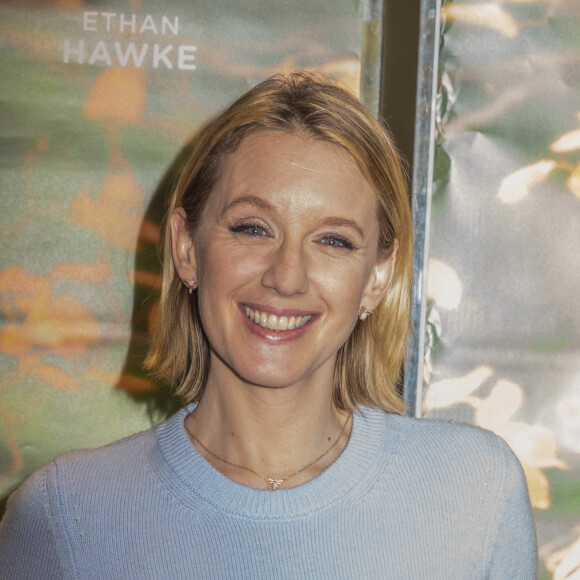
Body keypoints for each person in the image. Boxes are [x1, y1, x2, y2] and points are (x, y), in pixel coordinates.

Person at [0, 72, 536, 578]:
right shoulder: (64, 515)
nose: (287, 277)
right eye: (253, 228)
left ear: (376, 277)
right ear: (186, 248)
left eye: (333, 240)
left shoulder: (475, 492)